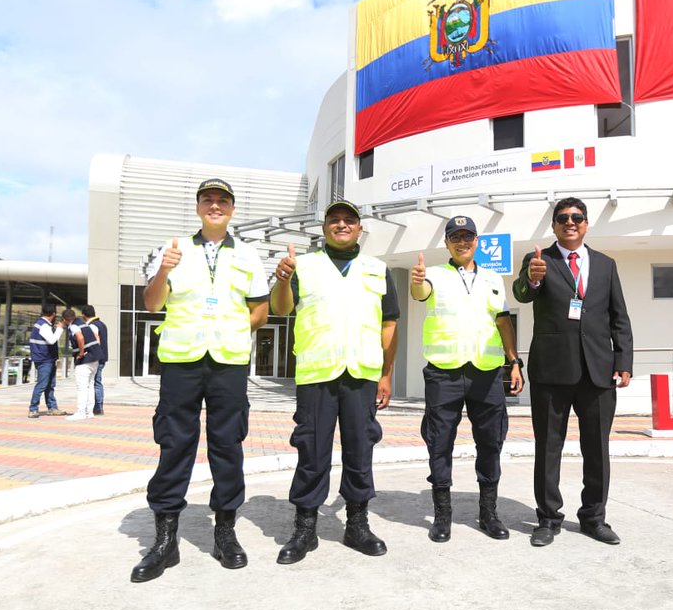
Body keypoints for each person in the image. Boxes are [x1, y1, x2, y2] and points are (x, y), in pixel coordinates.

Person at [130, 177, 269, 583]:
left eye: (222, 200)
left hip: (228, 363)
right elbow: (152, 303)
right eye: (207, 199)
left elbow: (260, 310)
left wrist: (234, 331)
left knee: (228, 445)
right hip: (181, 361)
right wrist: (163, 271)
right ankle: (165, 539)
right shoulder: (173, 249)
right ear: (198, 207)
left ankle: (224, 531)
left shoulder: (248, 254)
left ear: (232, 209)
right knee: (175, 444)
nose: (215, 205)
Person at [270, 200, 399, 565]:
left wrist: (386, 374)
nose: (342, 225)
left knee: (360, 450)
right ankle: (305, 528)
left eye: (349, 220)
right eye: (334, 220)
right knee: (312, 452)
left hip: (361, 375)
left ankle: (357, 524)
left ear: (360, 228)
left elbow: (389, 324)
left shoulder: (377, 269)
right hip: (317, 374)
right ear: (324, 227)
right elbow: (281, 308)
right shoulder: (304, 265)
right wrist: (283, 279)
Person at [513, 197, 633, 547]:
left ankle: (594, 518)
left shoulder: (606, 265)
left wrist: (623, 361)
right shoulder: (538, 260)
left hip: (598, 371)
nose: (570, 222)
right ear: (553, 225)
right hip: (552, 371)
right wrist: (532, 280)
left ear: (586, 223)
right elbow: (522, 294)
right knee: (548, 448)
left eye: (577, 217)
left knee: (597, 449)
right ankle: (548, 519)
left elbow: (619, 317)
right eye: (563, 217)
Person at [410, 215, 523, 543]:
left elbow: (503, 321)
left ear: (477, 241)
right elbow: (420, 292)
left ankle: (488, 512)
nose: (462, 242)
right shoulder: (433, 275)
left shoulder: (492, 278)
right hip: (444, 373)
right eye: (455, 237)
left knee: (491, 442)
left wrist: (514, 361)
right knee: (439, 442)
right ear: (447, 243)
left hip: (486, 373)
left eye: (468, 236)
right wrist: (417, 281)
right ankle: (442, 515)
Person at [27, 303, 68, 418]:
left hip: (47, 359)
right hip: (44, 359)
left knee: (50, 385)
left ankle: (52, 407)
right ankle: (33, 409)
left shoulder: (40, 324)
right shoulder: (44, 326)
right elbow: (52, 340)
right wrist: (59, 329)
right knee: (42, 384)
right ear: (53, 314)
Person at [64, 307, 103, 421]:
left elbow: (80, 337)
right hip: (95, 358)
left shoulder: (74, 326)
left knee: (82, 387)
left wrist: (81, 353)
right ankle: (89, 412)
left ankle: (81, 412)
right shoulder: (84, 324)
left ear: (65, 320)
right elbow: (96, 337)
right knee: (90, 385)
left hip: (85, 360)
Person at [81, 305, 109, 415]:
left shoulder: (92, 326)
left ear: (83, 315)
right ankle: (99, 407)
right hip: (102, 357)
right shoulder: (102, 324)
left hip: (95, 358)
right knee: (98, 382)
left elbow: (95, 343)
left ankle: (96, 407)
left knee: (94, 382)